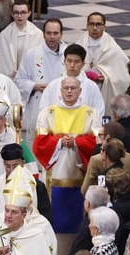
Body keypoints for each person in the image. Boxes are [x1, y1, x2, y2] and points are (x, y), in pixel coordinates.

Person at [33, 76, 99, 239]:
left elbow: (97, 144)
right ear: (60, 90)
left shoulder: (92, 114)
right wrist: (60, 142)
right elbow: (39, 143)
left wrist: (76, 142)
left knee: (78, 223)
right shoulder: (47, 113)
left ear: (80, 91)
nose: (69, 91)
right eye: (66, 88)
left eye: (73, 88)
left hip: (81, 175)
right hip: (55, 175)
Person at [13, 19, 65, 146]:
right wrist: (34, 86)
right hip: (39, 104)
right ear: (43, 34)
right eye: (48, 33)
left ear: (61, 34)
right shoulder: (32, 54)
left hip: (63, 103)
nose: (52, 37)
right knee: (38, 143)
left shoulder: (68, 55)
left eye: (55, 33)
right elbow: (19, 80)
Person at [74, 12, 130, 107]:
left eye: (98, 24)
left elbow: (123, 76)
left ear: (104, 27)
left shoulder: (112, 48)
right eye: (91, 24)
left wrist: (106, 77)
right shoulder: (79, 46)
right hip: (83, 89)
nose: (95, 28)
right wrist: (84, 74)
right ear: (87, 26)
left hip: (103, 89)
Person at [0, 0, 41, 80]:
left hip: (31, 78)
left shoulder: (38, 34)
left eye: (23, 12)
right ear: (12, 14)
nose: (19, 16)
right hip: (10, 78)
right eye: (16, 12)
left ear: (29, 13)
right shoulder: (5, 35)